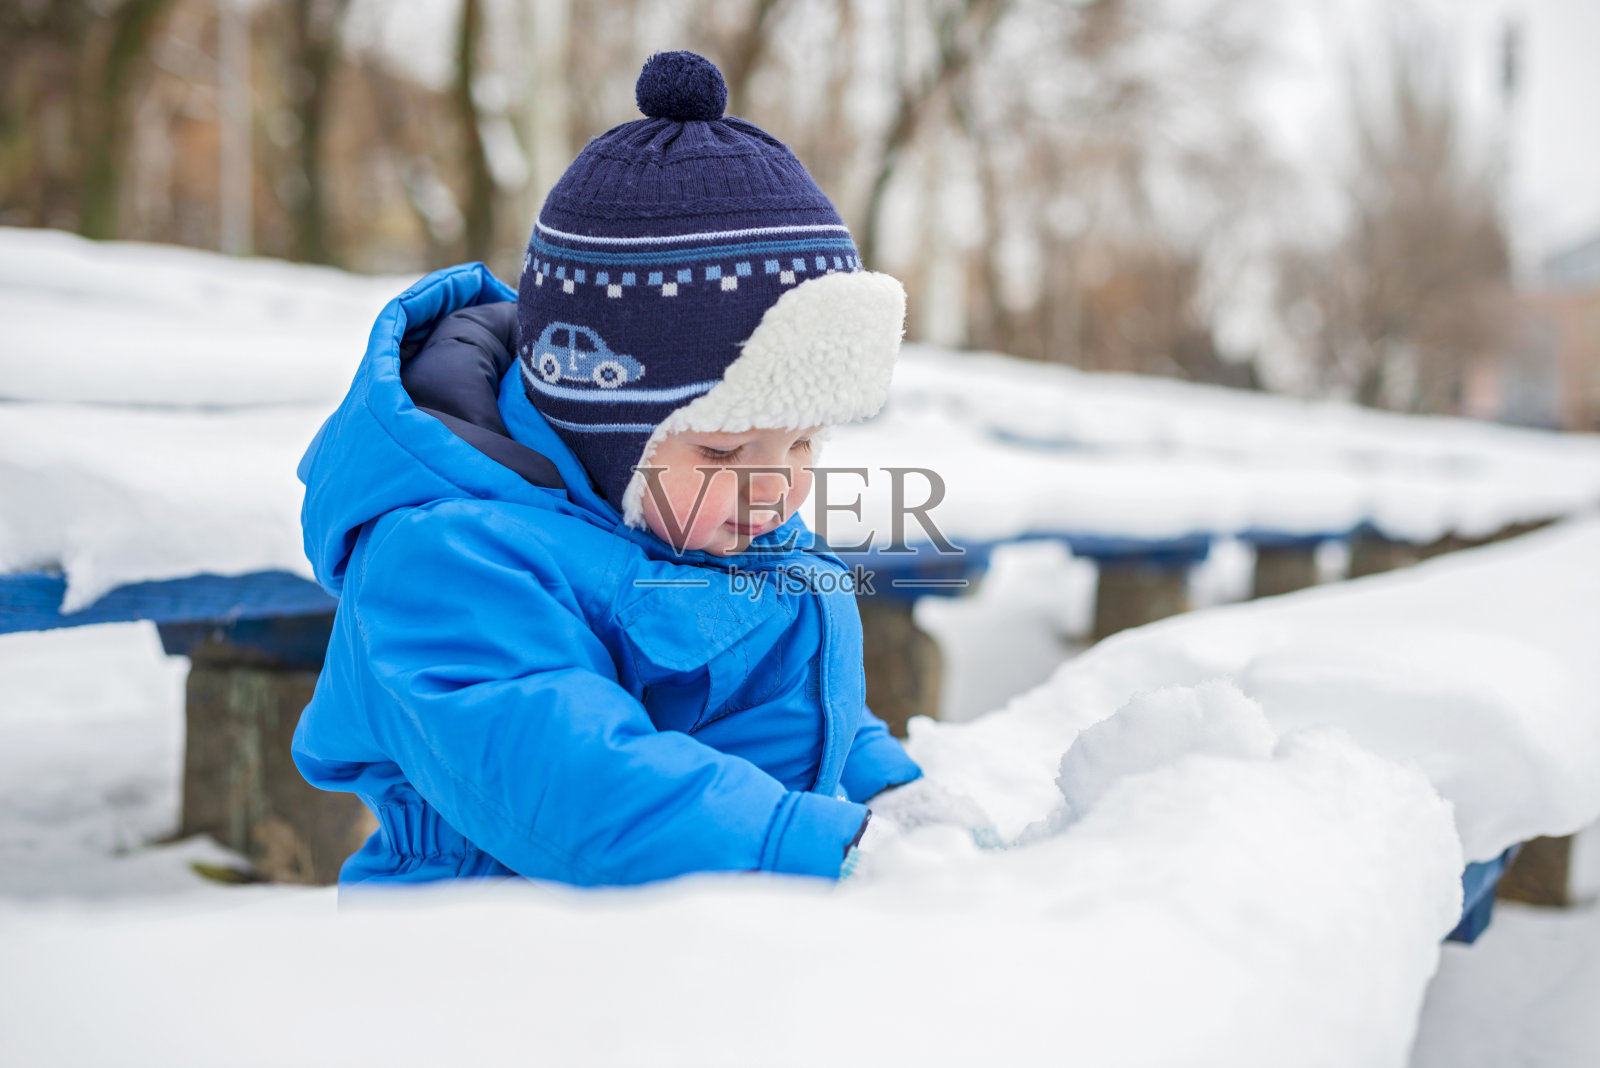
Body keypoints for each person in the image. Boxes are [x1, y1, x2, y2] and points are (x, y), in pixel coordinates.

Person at [291, 51, 933, 889]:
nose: (778, 486)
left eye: (805, 442)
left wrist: (888, 787)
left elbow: (783, 673)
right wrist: (805, 840)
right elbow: (576, 782)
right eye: (726, 450)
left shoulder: (711, 513)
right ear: (604, 431)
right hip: (494, 958)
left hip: (706, 922)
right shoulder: (446, 559)